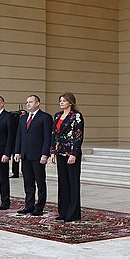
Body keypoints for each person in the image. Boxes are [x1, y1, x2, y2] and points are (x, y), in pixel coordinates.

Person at [14, 95, 52, 216]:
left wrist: (45, 154)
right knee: (28, 182)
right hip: (25, 155)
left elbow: (47, 137)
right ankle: (29, 205)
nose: (28, 104)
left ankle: (39, 207)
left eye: (30, 102)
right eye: (27, 102)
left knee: (40, 182)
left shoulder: (45, 117)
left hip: (38, 155)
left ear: (37, 103)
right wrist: (17, 152)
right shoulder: (23, 118)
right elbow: (19, 136)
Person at [50, 92, 84, 222]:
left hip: (71, 154)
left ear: (71, 102)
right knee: (62, 182)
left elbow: (78, 135)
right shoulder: (57, 116)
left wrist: (74, 153)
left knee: (73, 182)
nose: (61, 102)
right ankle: (63, 212)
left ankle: (73, 213)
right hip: (60, 152)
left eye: (64, 100)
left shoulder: (77, 116)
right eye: (60, 100)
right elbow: (54, 134)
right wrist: (52, 152)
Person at [10, 109, 26, 178]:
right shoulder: (15, 120)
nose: (21, 115)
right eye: (20, 114)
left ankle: (24, 171)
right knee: (15, 157)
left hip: (24, 142)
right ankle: (15, 172)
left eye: (23, 114)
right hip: (15, 141)